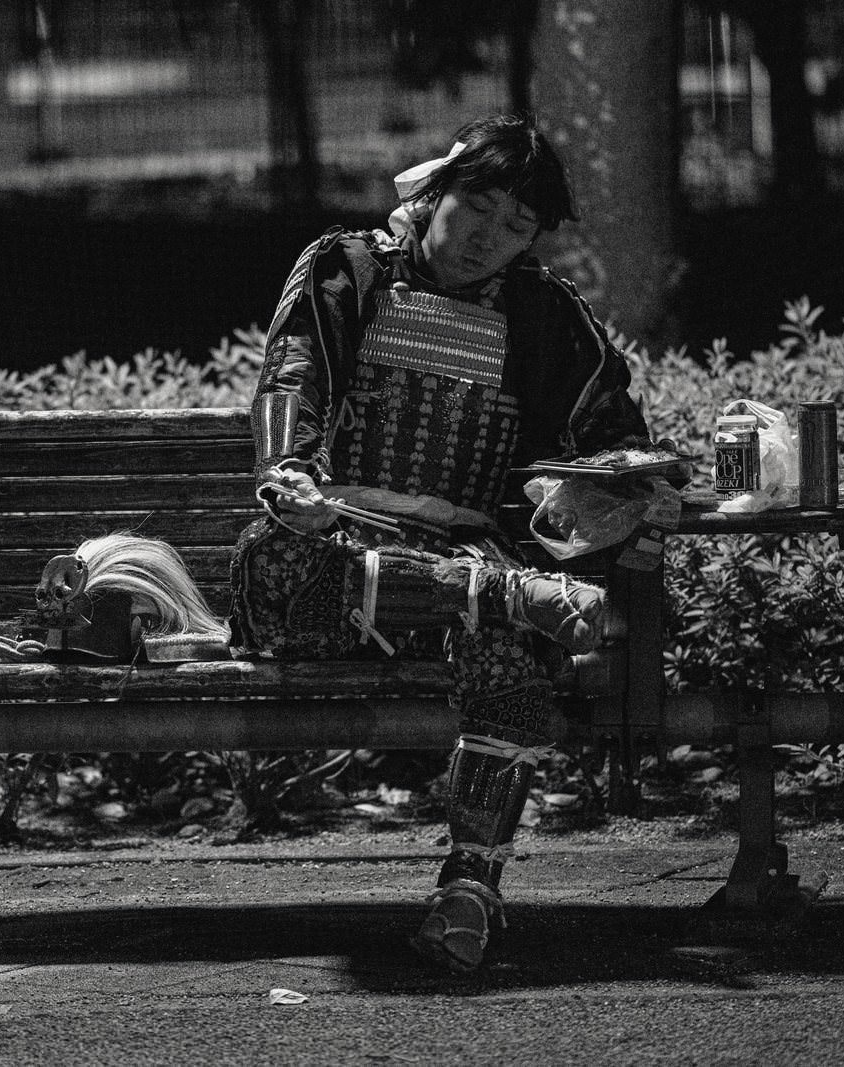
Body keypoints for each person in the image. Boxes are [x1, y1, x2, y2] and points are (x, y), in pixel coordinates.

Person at [229, 113, 660, 973]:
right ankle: (517, 595)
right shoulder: (345, 271)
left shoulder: (543, 314)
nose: (488, 238)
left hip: (456, 571)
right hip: (327, 552)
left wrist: (635, 493)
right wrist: (290, 476)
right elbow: (291, 375)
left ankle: (471, 888)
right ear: (436, 191)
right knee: (282, 561)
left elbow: (610, 439)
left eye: (517, 225)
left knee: (507, 647)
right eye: (479, 207)